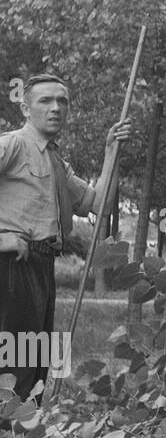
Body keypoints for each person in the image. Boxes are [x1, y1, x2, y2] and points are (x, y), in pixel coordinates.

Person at [0, 73, 133, 403]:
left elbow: (96, 205)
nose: (56, 107)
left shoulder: (56, 160)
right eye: (45, 100)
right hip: (10, 266)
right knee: (11, 363)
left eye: (63, 101)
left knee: (37, 360)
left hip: (42, 266)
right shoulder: (13, 144)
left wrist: (110, 152)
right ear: (26, 109)